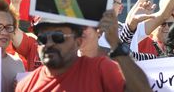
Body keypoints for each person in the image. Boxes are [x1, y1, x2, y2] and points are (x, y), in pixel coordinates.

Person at [15, 10, 152, 92]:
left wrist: (116, 44)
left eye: (58, 37)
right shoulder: (25, 86)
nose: (49, 43)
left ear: (78, 41)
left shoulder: (100, 69)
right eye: (43, 38)